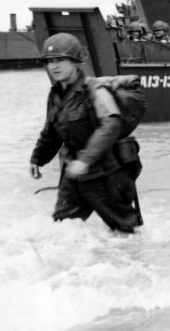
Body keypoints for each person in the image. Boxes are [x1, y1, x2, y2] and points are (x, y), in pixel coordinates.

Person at [29, 33, 141, 233]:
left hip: (106, 174)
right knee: (63, 229)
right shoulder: (55, 95)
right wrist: (37, 158)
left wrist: (86, 161)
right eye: (50, 61)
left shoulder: (95, 90)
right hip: (73, 174)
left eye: (61, 60)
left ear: (75, 62)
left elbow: (111, 124)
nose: (54, 66)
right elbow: (51, 132)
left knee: (125, 231)